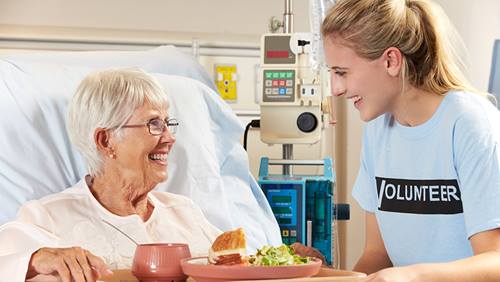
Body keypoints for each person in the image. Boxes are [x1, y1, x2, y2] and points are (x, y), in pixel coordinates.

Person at [322, 0, 500, 281]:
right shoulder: (378, 129)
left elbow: (495, 262)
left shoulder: (469, 123)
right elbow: (377, 255)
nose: (336, 89)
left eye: (341, 72)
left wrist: (412, 276)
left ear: (391, 61)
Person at [0, 68, 221, 282]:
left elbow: (242, 265)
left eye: (167, 123)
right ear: (106, 141)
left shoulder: (185, 211)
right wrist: (32, 261)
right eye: (154, 124)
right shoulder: (47, 218)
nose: (169, 138)